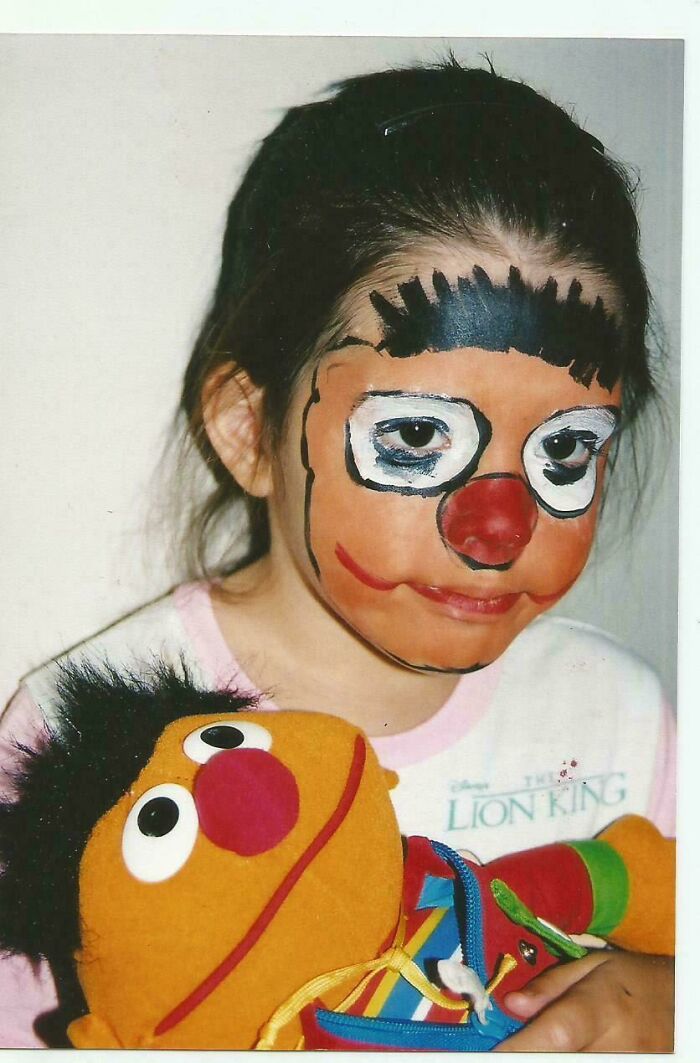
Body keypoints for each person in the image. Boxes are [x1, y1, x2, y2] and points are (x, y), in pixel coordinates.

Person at [0, 58, 675, 1050]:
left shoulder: (626, 722)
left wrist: (667, 1001)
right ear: (246, 428)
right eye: (412, 440)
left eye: (565, 450)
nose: (498, 528)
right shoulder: (77, 733)